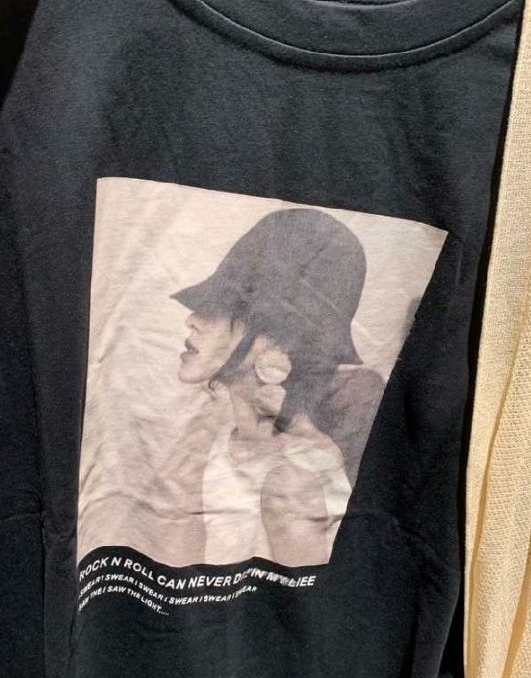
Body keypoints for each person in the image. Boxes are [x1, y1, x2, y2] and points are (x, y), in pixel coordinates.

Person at [153, 207, 385, 567]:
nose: (192, 320)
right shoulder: (206, 447)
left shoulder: (294, 481)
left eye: (220, 308)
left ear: (276, 341)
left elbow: (310, 600)